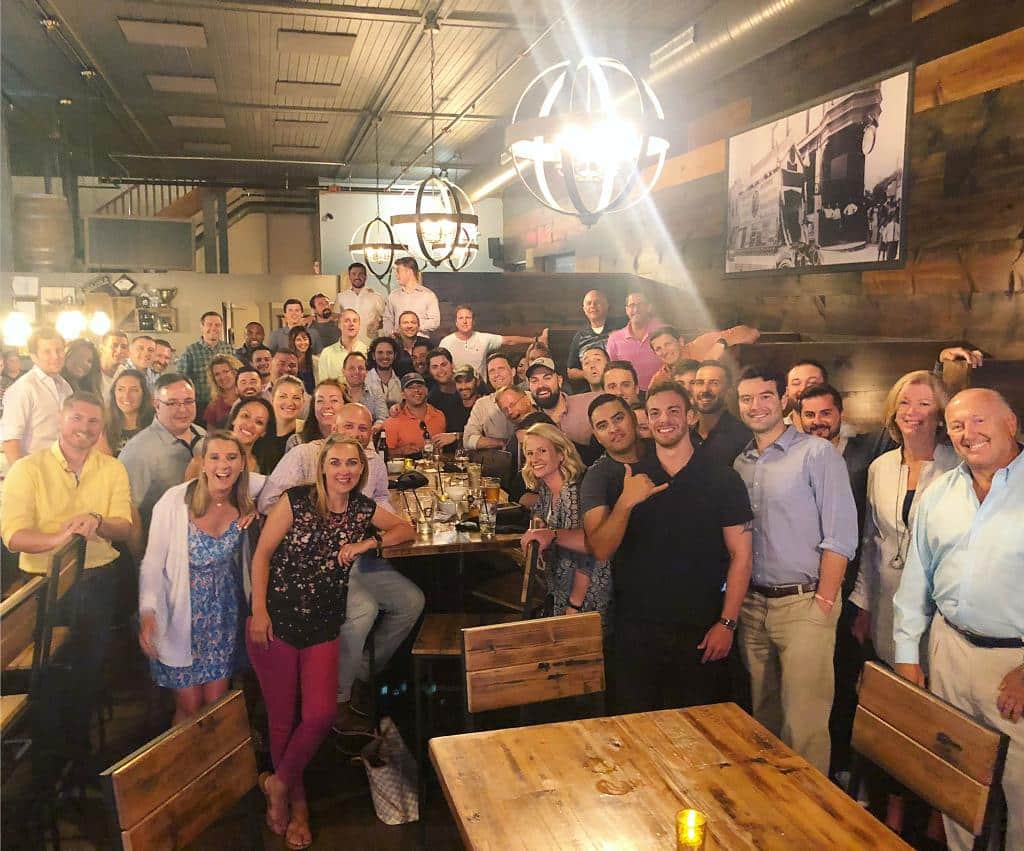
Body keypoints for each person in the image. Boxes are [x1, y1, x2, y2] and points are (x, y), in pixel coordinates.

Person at [248, 435, 414, 845]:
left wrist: (365, 543)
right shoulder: (296, 500)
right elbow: (262, 555)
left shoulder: (360, 509)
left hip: (323, 624)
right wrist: (259, 612)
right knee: (283, 722)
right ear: (322, 466)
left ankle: (278, 783)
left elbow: (404, 529)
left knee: (321, 715)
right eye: (336, 462)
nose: (345, 471)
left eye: (352, 464)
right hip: (278, 621)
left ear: (362, 469)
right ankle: (296, 806)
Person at [893, 389, 1023, 851]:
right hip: (948, 649)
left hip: (1014, 665)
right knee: (955, 785)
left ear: (1011, 424)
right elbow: (914, 582)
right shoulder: (938, 492)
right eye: (958, 426)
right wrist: (908, 658)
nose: (969, 434)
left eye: (980, 421)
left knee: (1021, 793)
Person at [257, 404, 425, 739]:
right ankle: (341, 697)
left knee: (412, 601)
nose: (356, 435)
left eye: (364, 430)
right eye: (350, 426)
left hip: (358, 556)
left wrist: (367, 542)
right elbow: (266, 505)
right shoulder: (305, 457)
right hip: (314, 568)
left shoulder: (370, 465)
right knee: (362, 610)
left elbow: (393, 517)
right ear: (333, 424)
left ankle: (359, 671)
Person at [585, 382, 753, 711]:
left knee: (700, 734)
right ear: (646, 421)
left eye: (673, 411)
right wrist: (625, 504)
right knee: (635, 730)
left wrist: (727, 623)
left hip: (701, 629)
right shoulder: (630, 478)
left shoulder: (723, 478)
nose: (665, 420)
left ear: (690, 416)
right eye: (655, 413)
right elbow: (601, 550)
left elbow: (741, 555)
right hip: (636, 630)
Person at [732, 366, 858, 774]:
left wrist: (823, 602)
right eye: (747, 398)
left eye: (765, 396)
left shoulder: (816, 453)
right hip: (754, 604)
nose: (756, 406)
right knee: (763, 720)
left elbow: (840, 535)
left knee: (804, 725)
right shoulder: (741, 463)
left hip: (804, 602)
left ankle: (811, 824)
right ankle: (773, 810)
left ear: (783, 401)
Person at [1, 392, 132, 773]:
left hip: (97, 580)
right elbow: (12, 535)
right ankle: (48, 766)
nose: (85, 429)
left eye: (94, 422)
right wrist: (61, 540)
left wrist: (97, 522)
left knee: (87, 672)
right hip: (42, 585)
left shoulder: (111, 468)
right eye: (77, 419)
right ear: (60, 419)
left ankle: (79, 759)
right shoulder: (28, 468)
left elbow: (122, 528)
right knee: (48, 678)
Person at [138, 431, 263, 724]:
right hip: (177, 610)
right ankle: (184, 767)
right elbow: (152, 561)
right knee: (190, 704)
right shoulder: (174, 500)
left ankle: (213, 766)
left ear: (243, 463)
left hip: (222, 613)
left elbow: (280, 486)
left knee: (216, 703)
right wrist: (147, 611)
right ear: (202, 463)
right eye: (215, 457)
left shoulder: (246, 496)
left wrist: (259, 507)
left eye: (232, 457)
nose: (224, 465)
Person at [849, 372, 957, 666]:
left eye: (924, 403)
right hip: (888, 598)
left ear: (941, 414)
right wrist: (864, 606)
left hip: (940, 605)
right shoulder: (880, 467)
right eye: (904, 403)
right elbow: (871, 541)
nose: (912, 412)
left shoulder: (958, 468)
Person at [520, 424, 612, 624]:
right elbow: (541, 525)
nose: (534, 459)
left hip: (586, 598)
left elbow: (589, 553)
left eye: (542, 451)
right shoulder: (546, 488)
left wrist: (574, 605)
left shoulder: (575, 491)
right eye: (530, 453)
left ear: (561, 454)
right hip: (560, 589)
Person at [120, 374, 206, 529]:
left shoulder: (203, 435)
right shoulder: (138, 451)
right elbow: (127, 511)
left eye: (188, 401)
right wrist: (141, 552)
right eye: (172, 403)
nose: (182, 409)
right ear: (157, 404)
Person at [1, 326, 73, 465]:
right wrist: (22, 478)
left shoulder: (65, 387)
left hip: (64, 467)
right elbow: (10, 440)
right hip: (35, 468)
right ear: (34, 356)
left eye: (59, 350)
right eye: (47, 352)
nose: (56, 356)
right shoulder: (23, 388)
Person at [439, 305, 543, 376]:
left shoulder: (483, 338)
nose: (465, 321)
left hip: (480, 390)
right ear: (456, 322)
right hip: (456, 389)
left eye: (468, 318)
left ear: (473, 321)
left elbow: (509, 340)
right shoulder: (446, 342)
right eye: (461, 318)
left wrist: (535, 340)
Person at [649, 325, 760, 387]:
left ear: (681, 342)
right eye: (658, 349)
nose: (664, 351)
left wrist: (721, 344)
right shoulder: (659, 380)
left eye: (668, 344)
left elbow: (750, 332)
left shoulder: (701, 344)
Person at [689, 361, 752, 468]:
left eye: (714, 383)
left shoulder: (744, 437)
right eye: (700, 382)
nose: (705, 390)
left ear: (728, 389)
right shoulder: (685, 436)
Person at [525, 357, 596, 447]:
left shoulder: (588, 404)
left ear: (559, 380)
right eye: (534, 380)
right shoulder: (531, 425)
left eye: (547, 378)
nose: (541, 385)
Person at [383, 373, 452, 457]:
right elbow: (385, 453)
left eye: (419, 386)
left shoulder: (439, 415)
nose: (416, 390)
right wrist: (401, 451)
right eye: (410, 387)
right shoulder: (392, 422)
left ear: (426, 390)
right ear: (403, 394)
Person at [178, 312, 236, 414]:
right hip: (201, 405)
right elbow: (182, 380)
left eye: (217, 325)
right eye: (209, 324)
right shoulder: (190, 351)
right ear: (202, 327)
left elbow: (236, 374)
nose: (213, 328)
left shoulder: (229, 349)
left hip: (226, 404)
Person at [604, 292, 664, 390]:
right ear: (626, 310)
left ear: (649, 307)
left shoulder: (663, 332)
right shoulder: (614, 339)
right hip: (629, 397)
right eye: (632, 305)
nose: (636, 309)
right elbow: (612, 373)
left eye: (640, 305)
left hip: (662, 393)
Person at [565, 290, 619, 389]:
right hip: (590, 390)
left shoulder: (619, 332)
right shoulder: (580, 336)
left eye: (597, 302)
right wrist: (588, 374)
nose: (593, 306)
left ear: (606, 306)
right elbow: (571, 371)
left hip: (616, 387)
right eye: (589, 303)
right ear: (584, 309)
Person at [464, 351, 517, 450]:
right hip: (497, 462)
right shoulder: (482, 404)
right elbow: (468, 440)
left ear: (513, 371)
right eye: (492, 371)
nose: (496, 374)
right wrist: (500, 443)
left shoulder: (529, 398)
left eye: (501, 369)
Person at [99, 368, 155, 457]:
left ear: (143, 394)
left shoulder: (155, 425)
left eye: (134, 390)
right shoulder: (105, 427)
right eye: (121, 389)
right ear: (114, 393)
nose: (126, 395)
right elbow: (105, 465)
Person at [255, 376, 304, 474]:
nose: (290, 403)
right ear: (272, 400)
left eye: (296, 398)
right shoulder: (259, 433)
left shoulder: (308, 434)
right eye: (283, 396)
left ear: (303, 402)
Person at [382, 256, 440, 335]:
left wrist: (414, 327)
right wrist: (390, 333)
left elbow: (435, 321)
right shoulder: (393, 295)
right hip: (398, 342)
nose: (396, 276)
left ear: (409, 272)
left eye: (398, 271)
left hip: (420, 342)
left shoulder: (428, 295)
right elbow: (387, 318)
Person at [288, 379, 346, 451]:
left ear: (344, 405)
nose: (327, 406)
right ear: (313, 406)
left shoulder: (352, 439)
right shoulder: (297, 441)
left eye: (334, 400)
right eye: (320, 401)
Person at [336, 262, 386, 344]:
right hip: (348, 345)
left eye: (360, 274)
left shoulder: (376, 297)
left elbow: (386, 320)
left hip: (370, 343)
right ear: (349, 276)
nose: (357, 277)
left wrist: (378, 324)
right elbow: (335, 320)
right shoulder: (341, 297)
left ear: (365, 277)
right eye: (354, 274)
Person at [317, 309, 367, 382]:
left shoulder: (367, 351)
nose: (351, 324)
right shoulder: (327, 353)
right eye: (347, 321)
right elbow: (323, 386)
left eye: (355, 321)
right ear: (339, 325)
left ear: (359, 326)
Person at [340, 353, 387, 429]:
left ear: (366, 372)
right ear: (343, 371)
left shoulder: (376, 392)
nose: (356, 372)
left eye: (361, 368)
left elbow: (382, 417)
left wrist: (374, 429)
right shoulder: (336, 392)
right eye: (352, 368)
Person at [201, 354, 242, 429]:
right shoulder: (214, 405)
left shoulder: (248, 397)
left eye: (226, 371)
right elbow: (211, 435)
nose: (222, 377)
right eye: (217, 374)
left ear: (235, 371)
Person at [365, 337, 402, 410]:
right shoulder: (364, 380)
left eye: (389, 353)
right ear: (373, 356)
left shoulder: (401, 381)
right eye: (380, 352)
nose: (385, 356)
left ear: (395, 356)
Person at [98, 330, 129, 399]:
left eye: (123, 347)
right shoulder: (90, 372)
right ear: (102, 348)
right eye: (114, 345)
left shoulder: (124, 373)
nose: (119, 351)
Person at [288, 326, 319, 394]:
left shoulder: (316, 361)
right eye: (298, 340)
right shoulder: (288, 362)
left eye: (305, 339)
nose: (303, 343)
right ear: (292, 342)